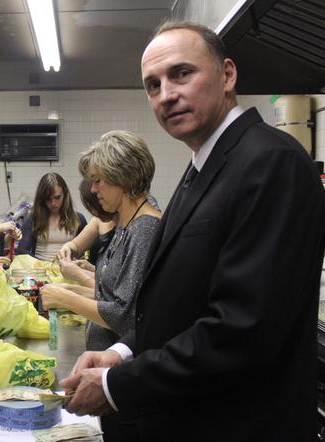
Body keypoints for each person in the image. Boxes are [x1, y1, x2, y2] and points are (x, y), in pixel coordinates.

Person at [61, 21, 325, 442]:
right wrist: (121, 352)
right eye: (152, 85)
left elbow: (241, 331)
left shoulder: (270, 163)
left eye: (182, 73)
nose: (166, 94)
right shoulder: (204, 165)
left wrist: (117, 386)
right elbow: (180, 303)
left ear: (228, 75)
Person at [41, 131, 161, 353]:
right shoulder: (127, 223)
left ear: (122, 177)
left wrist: (65, 298)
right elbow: (111, 296)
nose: (94, 189)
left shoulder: (144, 228)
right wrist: (71, 290)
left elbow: (123, 317)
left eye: (97, 180)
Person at [17, 172, 87, 261]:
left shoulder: (78, 219)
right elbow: (22, 251)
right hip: (40, 271)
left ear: (65, 194)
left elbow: (85, 252)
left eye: (57, 197)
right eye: (48, 199)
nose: (53, 203)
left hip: (69, 271)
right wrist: (46, 266)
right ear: (42, 199)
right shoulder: (33, 219)